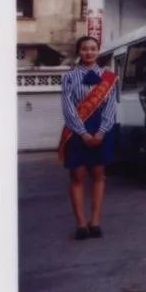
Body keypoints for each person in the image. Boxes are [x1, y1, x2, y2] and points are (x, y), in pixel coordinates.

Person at [58, 36, 118, 240]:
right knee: (77, 175)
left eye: (93, 49)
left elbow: (111, 108)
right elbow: (67, 107)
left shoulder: (108, 77)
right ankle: (81, 224)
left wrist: (101, 132)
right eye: (85, 49)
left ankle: (95, 221)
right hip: (77, 131)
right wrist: (83, 133)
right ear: (79, 51)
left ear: (98, 51)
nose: (89, 52)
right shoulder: (69, 77)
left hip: (101, 129)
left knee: (98, 175)